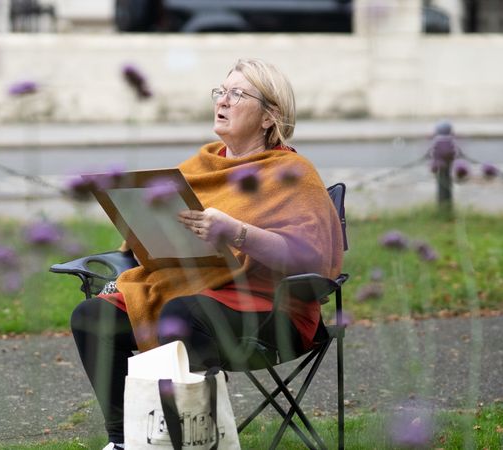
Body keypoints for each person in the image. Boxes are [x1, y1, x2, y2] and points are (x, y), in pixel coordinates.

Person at [70, 58, 344, 450]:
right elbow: (160, 236)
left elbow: (312, 260)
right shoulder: (203, 164)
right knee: (91, 316)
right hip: (192, 292)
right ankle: (124, 441)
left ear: (270, 117)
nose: (224, 100)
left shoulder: (293, 173)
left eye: (238, 94)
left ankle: (198, 441)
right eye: (222, 91)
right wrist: (143, 220)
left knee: (183, 314)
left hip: (272, 309)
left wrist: (236, 232)